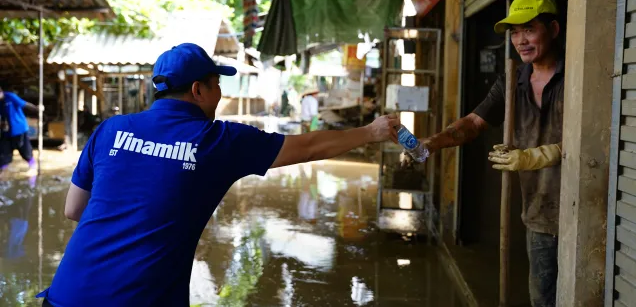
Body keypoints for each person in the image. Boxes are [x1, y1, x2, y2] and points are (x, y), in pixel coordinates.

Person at [37, 43, 398, 307]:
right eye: (216, 85)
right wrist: (371, 132)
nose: (221, 94)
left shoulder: (110, 129)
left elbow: (73, 209)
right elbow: (308, 147)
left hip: (65, 294)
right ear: (198, 90)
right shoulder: (217, 140)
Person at [406, 0, 564, 307]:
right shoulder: (513, 80)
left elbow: (597, 135)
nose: (521, 40)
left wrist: (537, 155)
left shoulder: (578, 74)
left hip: (584, 205)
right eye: (515, 32)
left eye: (529, 29)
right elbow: (475, 122)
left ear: (554, 29)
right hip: (541, 211)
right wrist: (432, 143)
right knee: (543, 298)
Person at [0, 86, 41, 175]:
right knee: (3, 154)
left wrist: (37, 109)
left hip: (19, 129)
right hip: (6, 132)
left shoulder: (10, 96)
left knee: (25, 151)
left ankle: (32, 166)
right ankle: (3, 172)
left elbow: (24, 104)